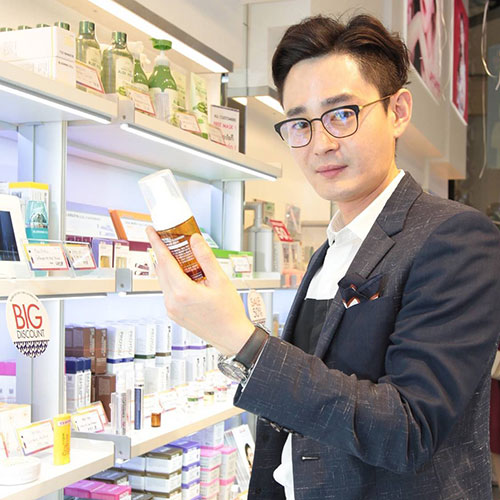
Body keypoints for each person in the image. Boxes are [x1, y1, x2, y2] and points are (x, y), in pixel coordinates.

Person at [147, 13, 500, 500]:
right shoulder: (330, 250)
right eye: (300, 124)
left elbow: (408, 430)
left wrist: (241, 339)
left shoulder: (456, 237)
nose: (321, 144)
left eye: (342, 114)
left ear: (398, 111)